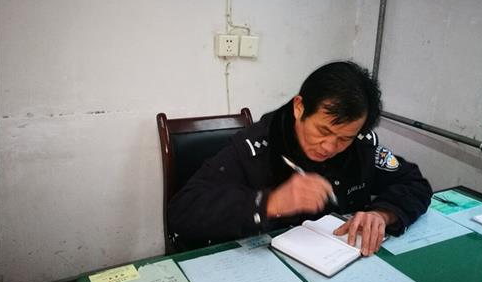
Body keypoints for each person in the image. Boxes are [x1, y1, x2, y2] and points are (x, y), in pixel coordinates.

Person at [169, 61, 432, 255]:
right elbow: (183, 211)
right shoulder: (256, 147)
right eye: (323, 131)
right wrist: (268, 203)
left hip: (340, 262)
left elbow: (414, 183)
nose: (329, 147)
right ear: (299, 108)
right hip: (267, 270)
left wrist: (383, 214)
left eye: (344, 138)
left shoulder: (360, 146)